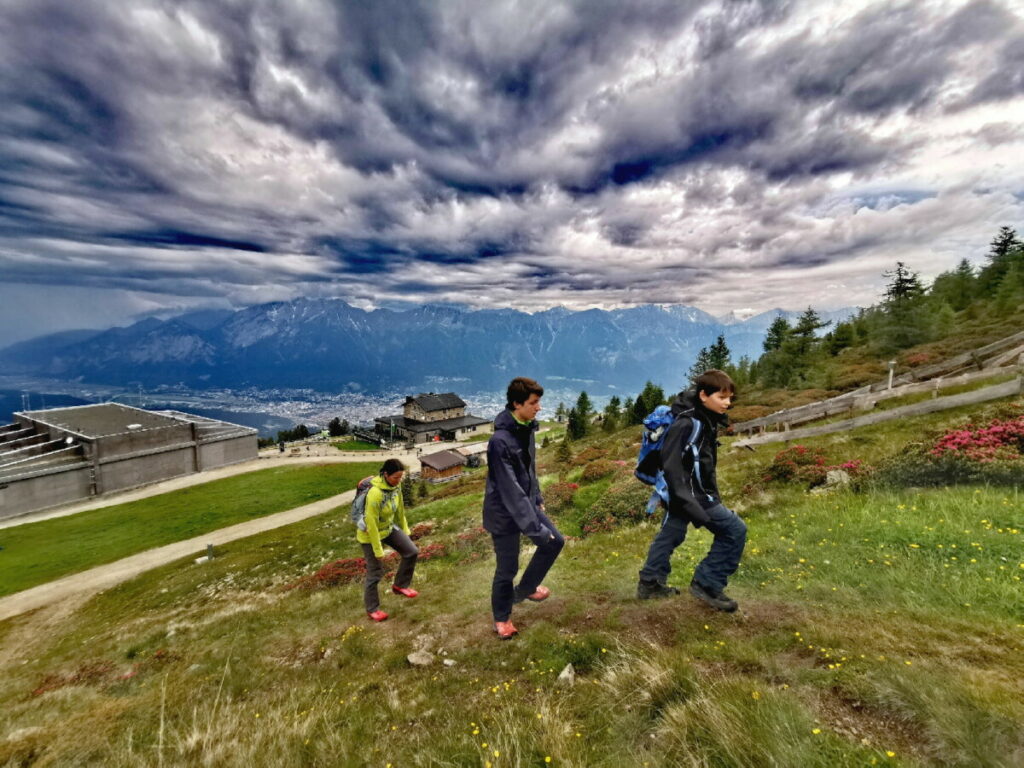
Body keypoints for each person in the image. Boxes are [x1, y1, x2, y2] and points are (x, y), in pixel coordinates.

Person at [637, 369, 747, 612]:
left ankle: (650, 583)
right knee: (734, 530)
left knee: (672, 534)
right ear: (703, 395)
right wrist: (687, 499)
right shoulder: (688, 423)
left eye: (730, 398)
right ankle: (707, 584)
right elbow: (671, 462)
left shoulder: (703, 418)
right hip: (690, 494)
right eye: (722, 397)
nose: (727, 403)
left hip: (682, 493)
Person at [483, 377, 565, 639]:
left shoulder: (525, 428)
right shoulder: (500, 441)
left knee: (556, 541)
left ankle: (527, 588)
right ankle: (502, 618)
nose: (538, 407)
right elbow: (509, 490)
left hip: (525, 504)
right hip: (504, 513)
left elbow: (529, 470)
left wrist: (537, 495)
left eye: (538, 402)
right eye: (533, 403)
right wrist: (535, 529)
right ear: (517, 404)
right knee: (507, 569)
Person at [358, 458, 419, 622]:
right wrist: (378, 550)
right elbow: (370, 523)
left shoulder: (395, 487)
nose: (398, 481)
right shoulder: (375, 493)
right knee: (375, 572)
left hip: (388, 528)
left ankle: (400, 585)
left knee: (411, 551)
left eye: (400, 477)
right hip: (370, 535)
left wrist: (405, 530)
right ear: (385, 474)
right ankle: (372, 609)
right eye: (395, 478)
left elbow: (399, 510)